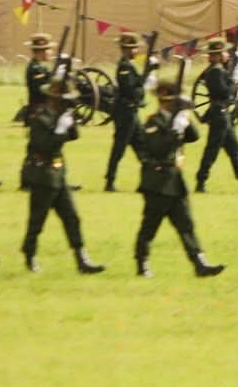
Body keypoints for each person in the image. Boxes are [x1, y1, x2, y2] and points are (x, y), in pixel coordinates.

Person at [134, 71, 224, 278]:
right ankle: (142, 262)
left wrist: (184, 118)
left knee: (186, 225)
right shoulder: (152, 122)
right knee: (150, 225)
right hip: (157, 181)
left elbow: (194, 136)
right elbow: (158, 149)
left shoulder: (177, 119)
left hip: (175, 181)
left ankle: (200, 263)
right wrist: (174, 131)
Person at [21, 78, 105, 275]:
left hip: (58, 175)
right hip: (42, 174)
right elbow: (45, 145)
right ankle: (30, 255)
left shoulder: (60, 114)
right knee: (37, 220)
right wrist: (59, 129)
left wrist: (70, 119)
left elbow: (74, 136)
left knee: (72, 218)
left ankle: (82, 259)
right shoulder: (39, 117)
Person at [194, 38, 238, 193]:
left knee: (235, 150)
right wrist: (234, 79)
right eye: (222, 53)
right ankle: (200, 181)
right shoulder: (214, 73)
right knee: (212, 150)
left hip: (224, 115)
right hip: (219, 115)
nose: (225, 55)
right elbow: (225, 93)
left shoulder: (219, 70)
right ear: (217, 56)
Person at [104, 33, 146, 191]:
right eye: (133, 48)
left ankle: (147, 181)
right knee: (119, 147)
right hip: (125, 112)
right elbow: (130, 90)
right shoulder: (124, 67)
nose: (136, 51)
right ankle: (110, 180)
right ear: (126, 50)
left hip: (132, 111)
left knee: (142, 147)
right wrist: (143, 85)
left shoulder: (129, 65)